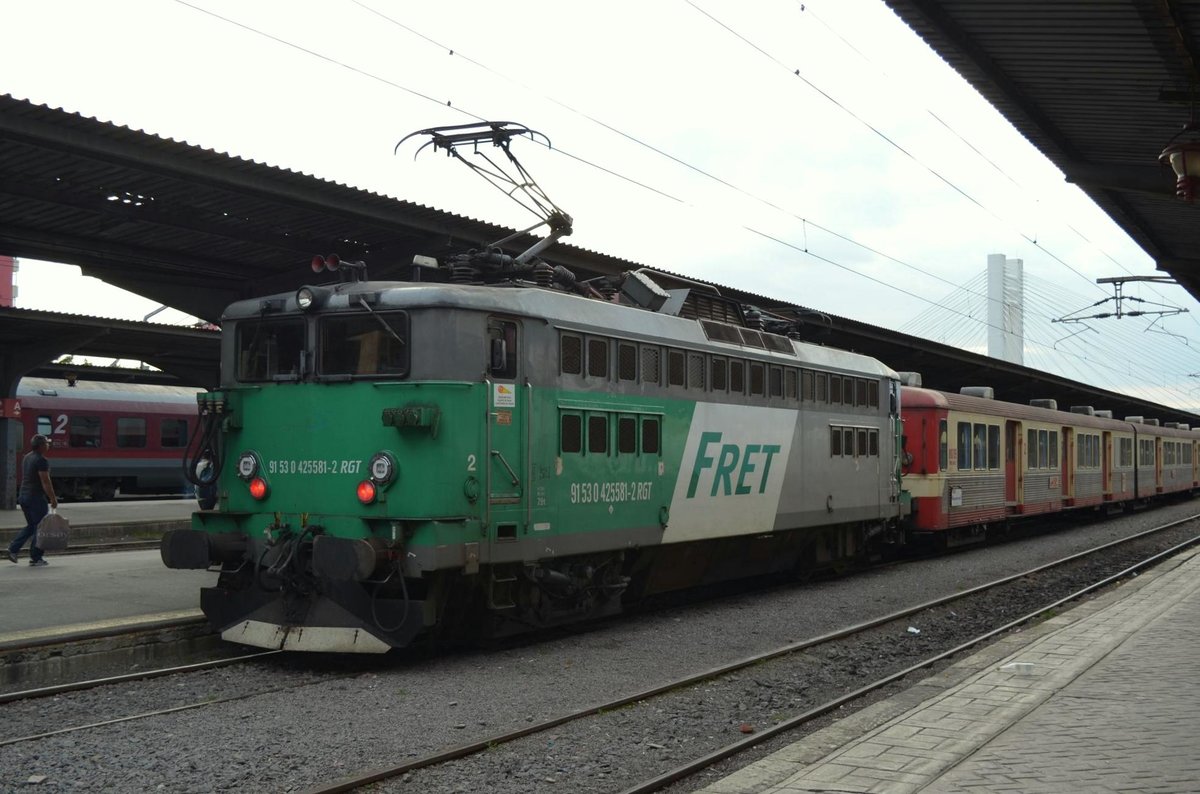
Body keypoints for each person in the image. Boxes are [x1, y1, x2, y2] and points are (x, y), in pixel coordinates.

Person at [8, 434, 58, 567]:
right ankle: (36, 557)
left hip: (23, 496)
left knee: (31, 525)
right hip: (35, 498)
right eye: (46, 443)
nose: (48, 445)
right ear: (41, 446)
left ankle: (13, 549)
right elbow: (46, 482)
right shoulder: (41, 460)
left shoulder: (27, 457)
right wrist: (53, 498)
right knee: (40, 527)